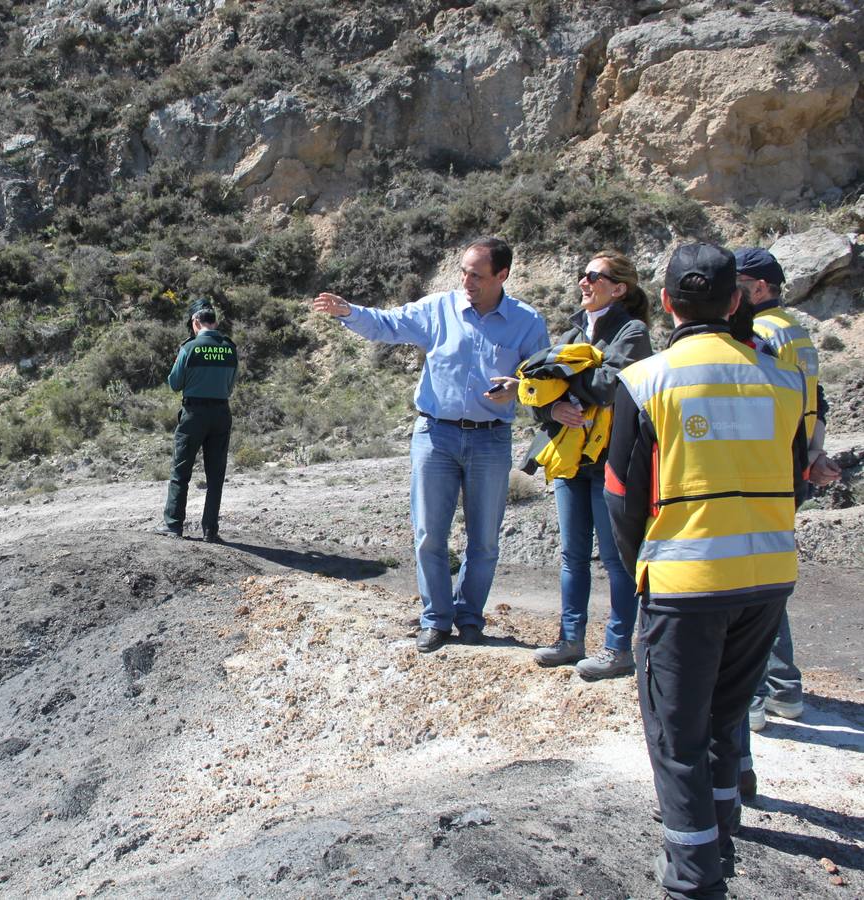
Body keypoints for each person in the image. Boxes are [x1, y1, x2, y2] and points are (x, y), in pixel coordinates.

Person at [606, 242, 808, 900]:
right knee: (725, 717)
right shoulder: (782, 379)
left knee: (676, 735)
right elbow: (796, 475)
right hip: (770, 575)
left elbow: (621, 499)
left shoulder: (645, 381)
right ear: (735, 301)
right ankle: (722, 829)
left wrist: (648, 566)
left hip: (685, 583)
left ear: (666, 304)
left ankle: (693, 879)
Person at [312, 237, 549, 653]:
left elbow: (544, 377)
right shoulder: (438, 308)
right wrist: (348, 312)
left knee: (485, 541)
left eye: (476, 274)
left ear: (502, 275)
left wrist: (520, 386)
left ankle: (470, 618)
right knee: (428, 536)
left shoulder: (528, 322)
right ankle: (436, 619)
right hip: (435, 435)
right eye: (463, 271)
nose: (466, 281)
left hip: (491, 440)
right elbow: (387, 324)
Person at [524, 251, 653, 678]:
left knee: (616, 559)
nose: (583, 281)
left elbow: (606, 386)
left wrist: (561, 376)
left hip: (609, 459)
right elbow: (538, 390)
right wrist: (554, 407)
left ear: (619, 288)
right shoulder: (574, 330)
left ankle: (618, 649)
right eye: (583, 275)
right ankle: (569, 639)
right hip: (571, 457)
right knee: (572, 555)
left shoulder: (632, 332)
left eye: (593, 276)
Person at [733, 248, 842, 732]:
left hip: (764, 470)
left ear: (757, 288)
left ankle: (754, 696)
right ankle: (784, 688)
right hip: (791, 467)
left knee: (747, 581)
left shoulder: (759, 333)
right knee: (767, 574)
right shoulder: (797, 331)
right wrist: (815, 455)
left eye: (734, 283)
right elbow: (815, 399)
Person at [155, 299, 238, 542]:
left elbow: (174, 383)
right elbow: (230, 385)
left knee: (181, 471)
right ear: (215, 322)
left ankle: (173, 525)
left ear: (195, 322)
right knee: (215, 475)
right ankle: (210, 530)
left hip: (194, 414)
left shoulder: (189, 348)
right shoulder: (230, 347)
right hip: (221, 413)